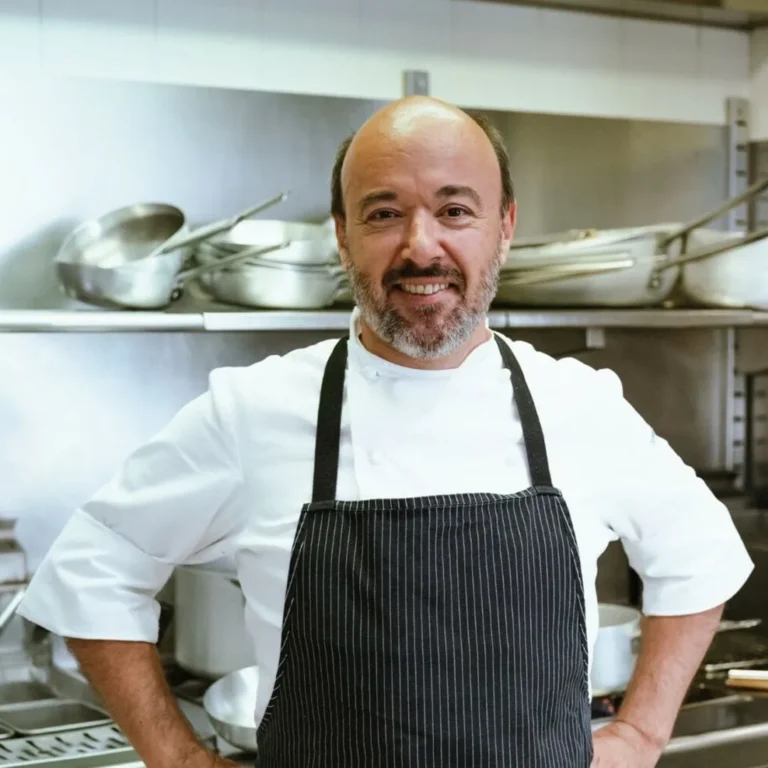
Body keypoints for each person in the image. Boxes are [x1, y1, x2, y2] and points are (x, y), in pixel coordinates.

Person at [18, 96, 752, 768]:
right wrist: (176, 758)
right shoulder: (252, 411)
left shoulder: (579, 406)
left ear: (506, 227)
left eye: (455, 210)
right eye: (382, 213)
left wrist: (641, 733)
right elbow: (93, 568)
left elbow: (701, 555)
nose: (421, 246)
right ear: (341, 236)